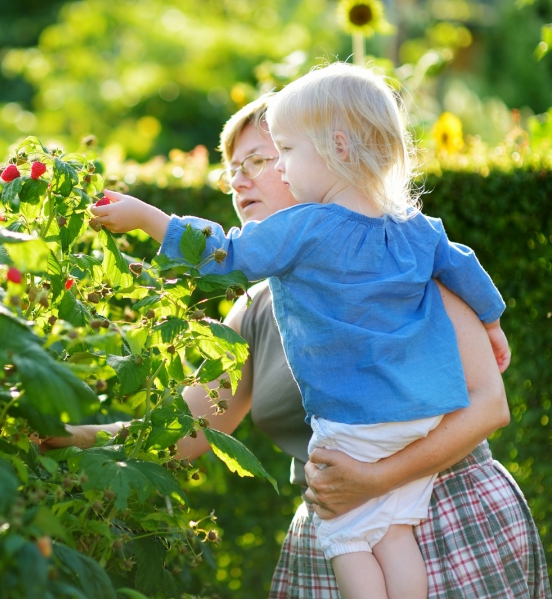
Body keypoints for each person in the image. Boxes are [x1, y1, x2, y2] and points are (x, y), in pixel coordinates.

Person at [51, 71, 551, 597]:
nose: (239, 180)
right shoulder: (257, 307)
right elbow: (189, 431)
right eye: (231, 170)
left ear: (334, 154)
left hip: (447, 520)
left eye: (264, 159)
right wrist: (71, 438)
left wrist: (375, 479)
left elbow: (491, 405)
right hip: (341, 526)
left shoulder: (404, 271)